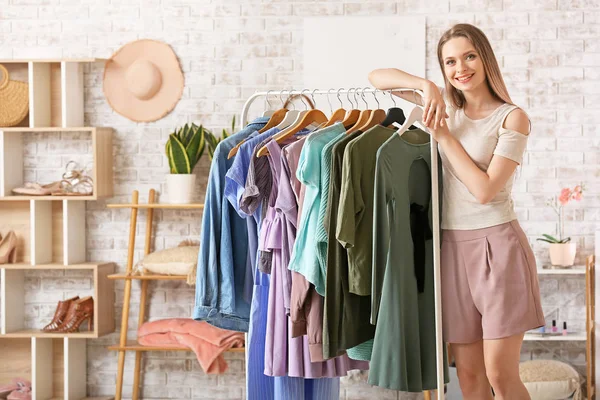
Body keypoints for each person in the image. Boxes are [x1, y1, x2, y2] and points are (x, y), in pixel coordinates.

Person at [368, 23, 544, 400]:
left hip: (498, 248)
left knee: (500, 373)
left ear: (484, 58)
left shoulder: (512, 118)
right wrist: (426, 86)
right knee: (467, 372)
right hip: (450, 247)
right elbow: (375, 77)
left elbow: (484, 190)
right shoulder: (443, 106)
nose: (460, 68)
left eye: (469, 56)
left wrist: (444, 136)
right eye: (450, 62)